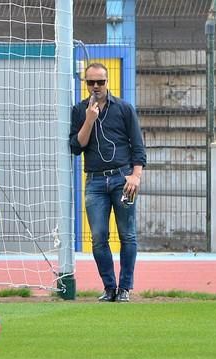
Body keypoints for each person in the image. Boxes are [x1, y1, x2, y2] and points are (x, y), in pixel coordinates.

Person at [69, 62, 147, 302]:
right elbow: (75, 147)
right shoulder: (79, 110)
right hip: (95, 181)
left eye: (100, 82)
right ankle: (109, 287)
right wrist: (89, 119)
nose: (95, 87)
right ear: (85, 83)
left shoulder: (124, 108)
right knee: (99, 237)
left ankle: (125, 288)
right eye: (90, 82)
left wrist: (135, 176)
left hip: (122, 178)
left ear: (107, 82)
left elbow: (138, 146)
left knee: (127, 234)